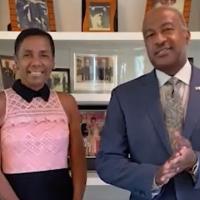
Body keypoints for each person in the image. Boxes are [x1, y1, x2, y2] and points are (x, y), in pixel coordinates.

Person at [96, 6, 200, 200]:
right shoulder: (124, 96)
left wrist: (195, 162)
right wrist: (154, 176)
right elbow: (107, 162)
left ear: (186, 35)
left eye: (167, 29)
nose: (159, 39)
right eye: (150, 35)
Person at [0, 28, 86, 200]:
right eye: (27, 55)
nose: (36, 62)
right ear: (15, 62)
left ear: (53, 62)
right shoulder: (2, 103)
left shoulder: (67, 103)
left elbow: (78, 161)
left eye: (44, 55)